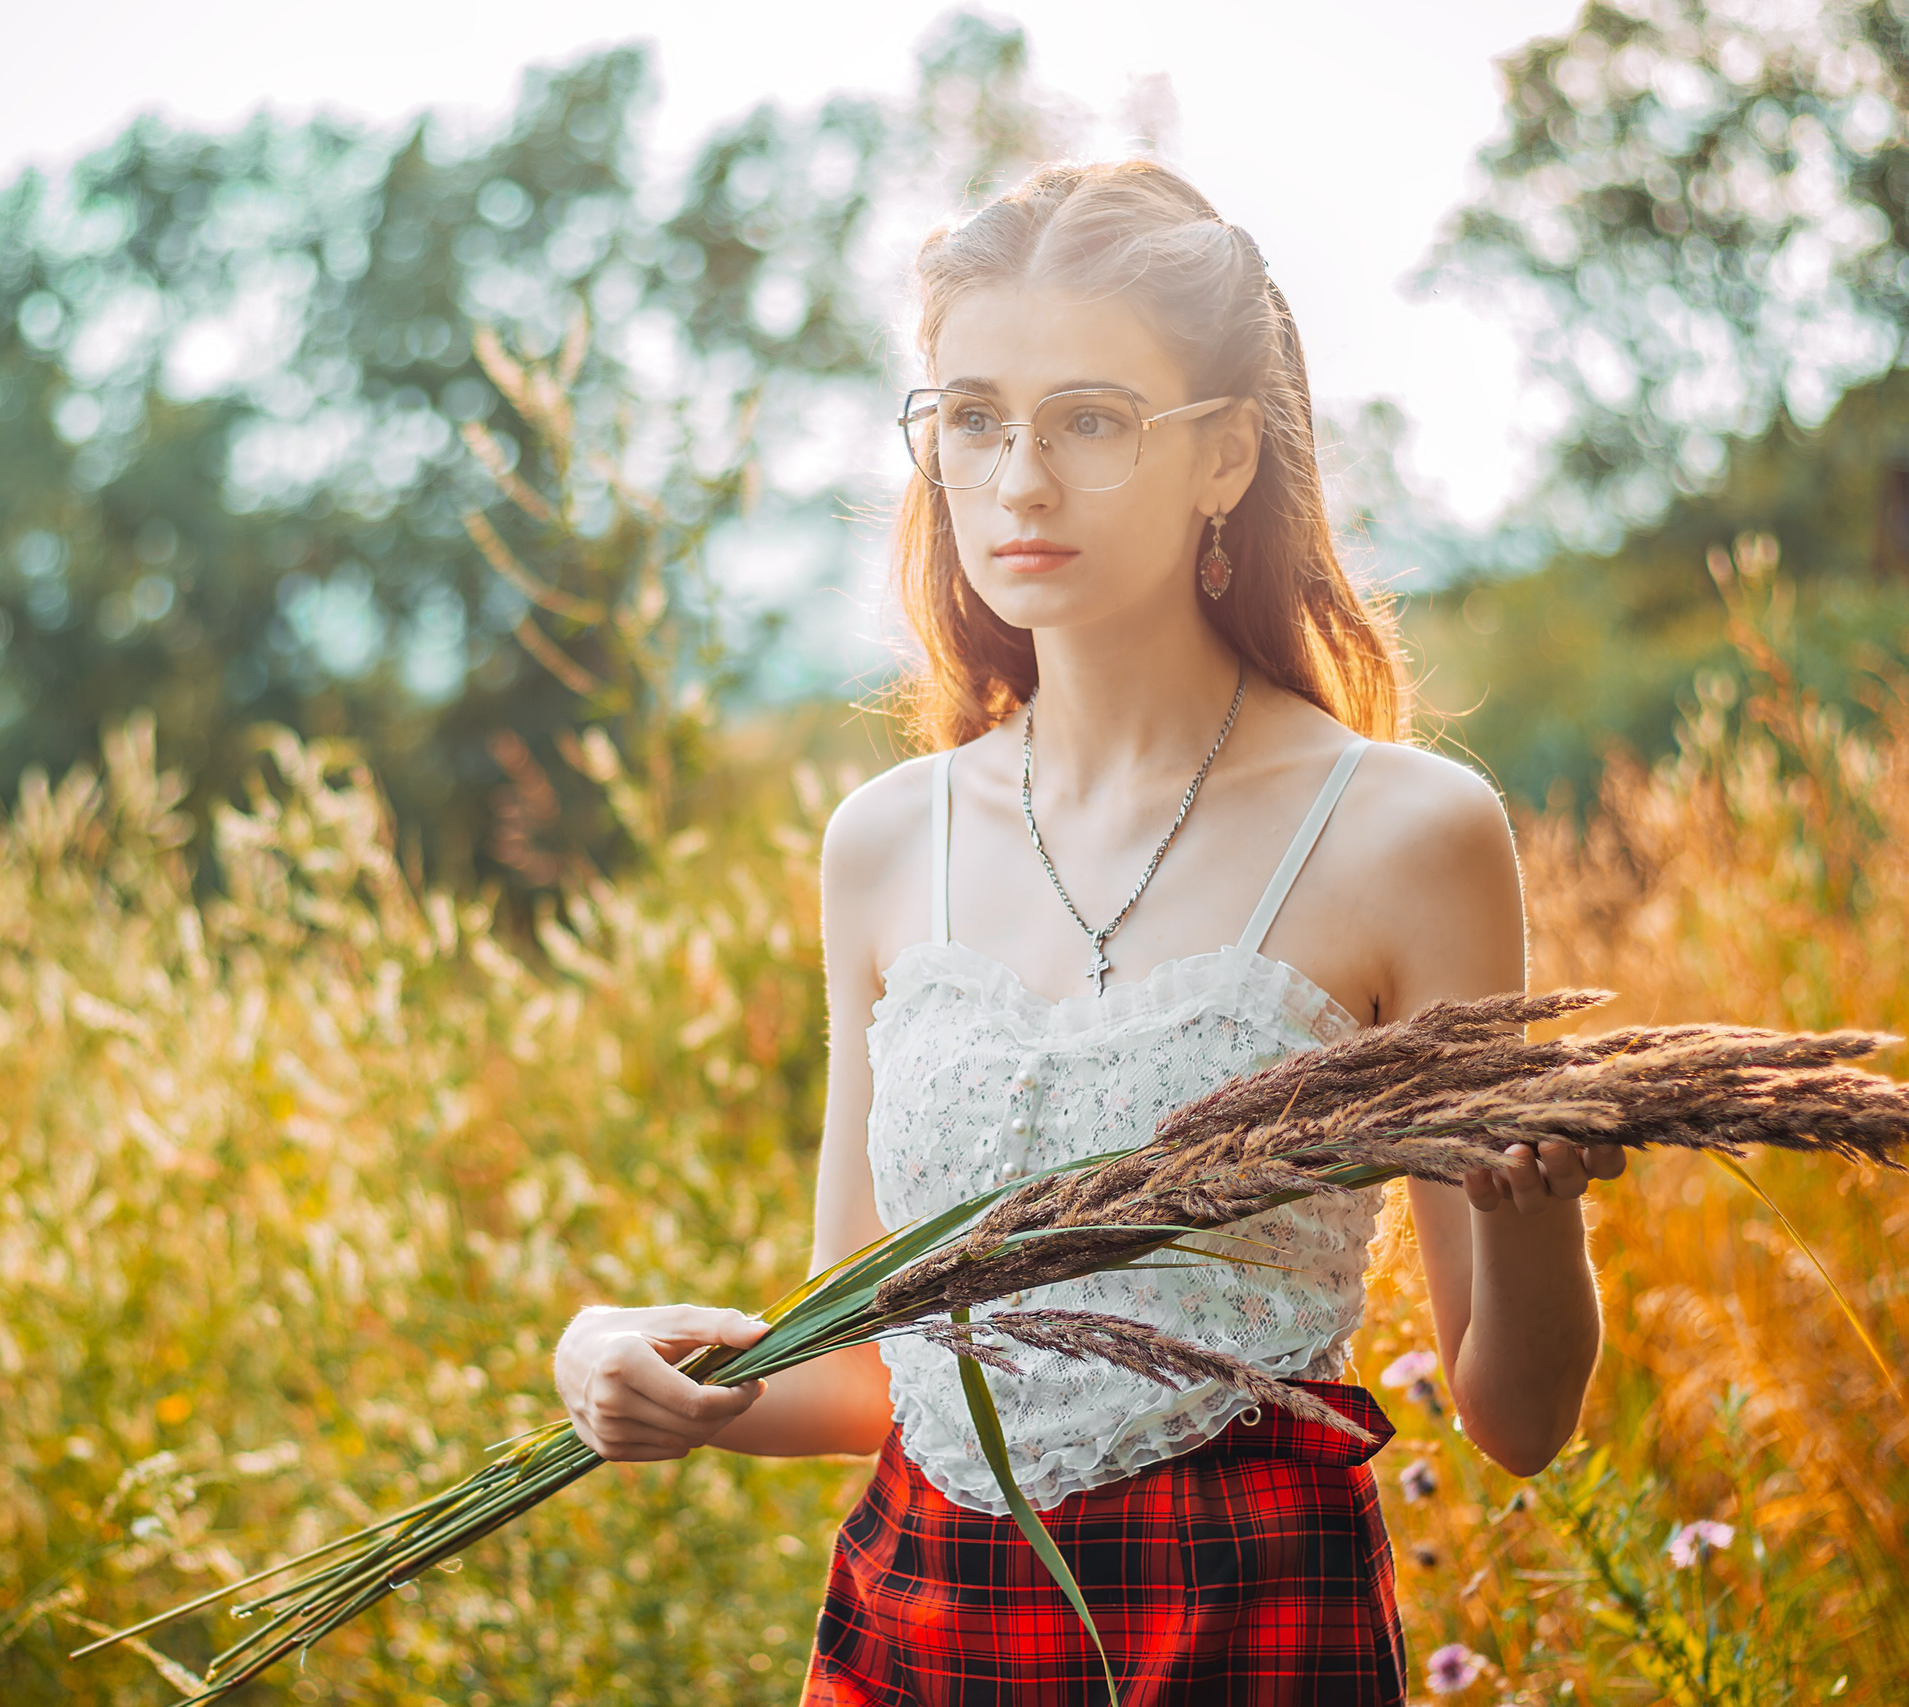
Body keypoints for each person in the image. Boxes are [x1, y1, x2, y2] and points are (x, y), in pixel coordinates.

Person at [551, 159, 1628, 1705]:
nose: (1020, 480)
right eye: (973, 416)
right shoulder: (884, 844)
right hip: (920, 1621)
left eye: (1092, 420)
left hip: (1247, 1629)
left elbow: (1518, 1421)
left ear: (1226, 458)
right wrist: (643, 1370)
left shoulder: (1409, 834)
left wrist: (1534, 1213)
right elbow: (874, 1360)